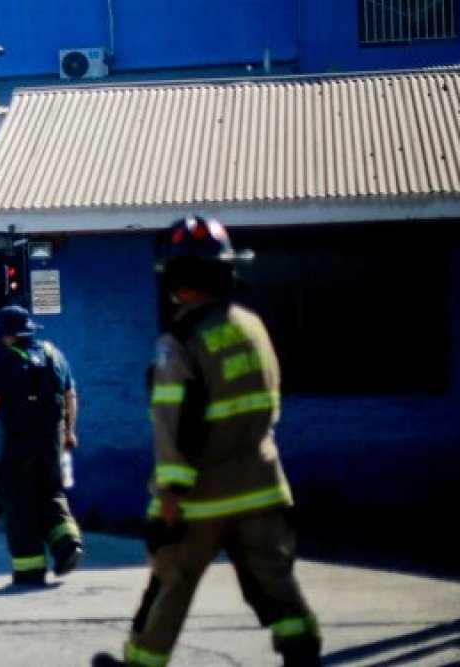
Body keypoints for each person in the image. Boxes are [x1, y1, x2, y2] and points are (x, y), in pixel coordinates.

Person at [95, 217, 319, 667]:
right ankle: (303, 654)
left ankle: (141, 663)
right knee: (274, 582)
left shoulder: (179, 342)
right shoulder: (252, 327)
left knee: (170, 585)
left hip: (200, 497)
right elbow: (268, 404)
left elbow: (172, 424)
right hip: (262, 483)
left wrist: (170, 495)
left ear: (177, 282)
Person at [0, 305, 84, 586]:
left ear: (8, 335)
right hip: (52, 442)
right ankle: (67, 541)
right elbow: (71, 396)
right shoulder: (54, 355)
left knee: (18, 499)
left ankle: (30, 569)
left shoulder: (4, 360)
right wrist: (69, 432)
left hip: (20, 443)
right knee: (51, 491)